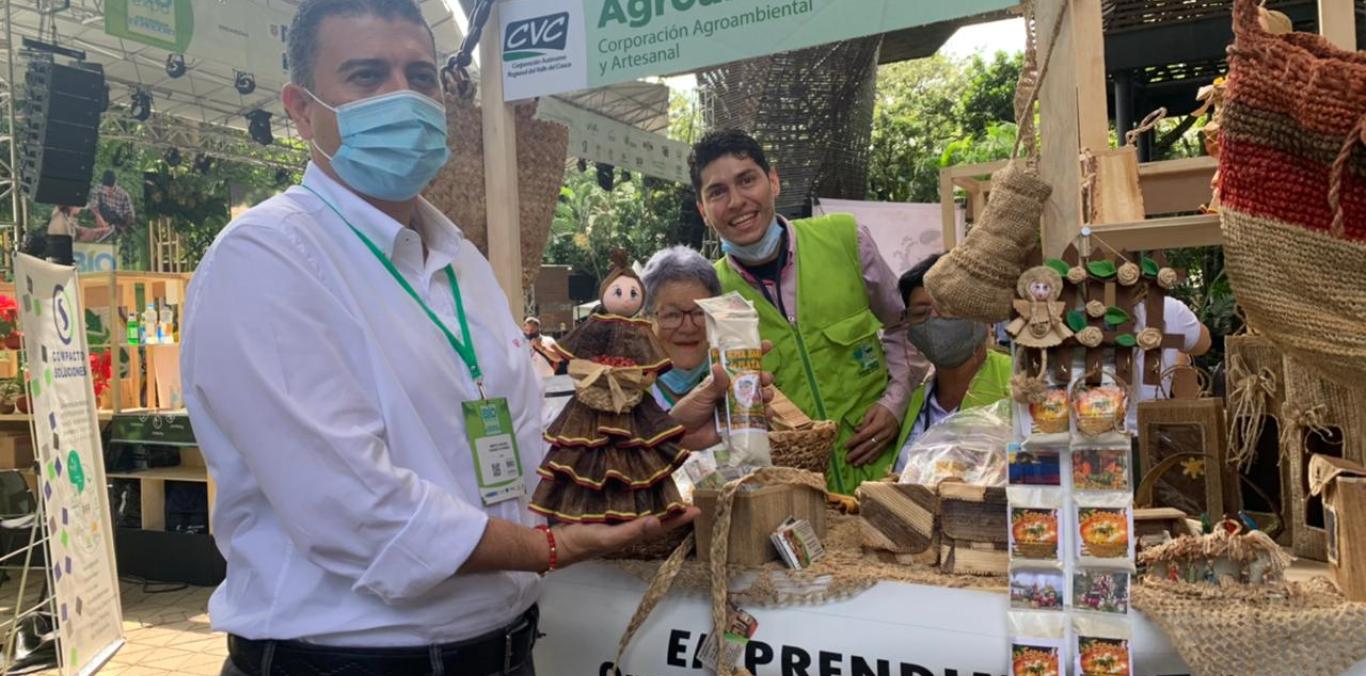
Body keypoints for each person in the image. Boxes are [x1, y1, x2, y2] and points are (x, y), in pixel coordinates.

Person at [180, 3, 739, 674]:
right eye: (366, 75)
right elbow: (356, 511)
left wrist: (655, 434)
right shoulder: (269, 259)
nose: (403, 98)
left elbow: (522, 447)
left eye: (421, 76)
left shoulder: (460, 260)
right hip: (346, 662)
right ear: (302, 109)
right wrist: (554, 548)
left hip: (501, 649)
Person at [691, 128, 928, 494]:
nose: (736, 201)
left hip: (888, 473)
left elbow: (904, 323)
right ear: (703, 210)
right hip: (791, 498)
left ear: (773, 181)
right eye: (717, 192)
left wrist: (895, 403)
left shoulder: (845, 239)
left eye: (747, 180)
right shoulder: (711, 295)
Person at [891, 253, 1013, 472]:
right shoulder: (913, 401)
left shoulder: (1017, 381)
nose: (936, 319)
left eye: (947, 307)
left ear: (981, 311)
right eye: (921, 312)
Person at [641, 246, 722, 411]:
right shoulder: (621, 391)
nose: (688, 328)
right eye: (672, 315)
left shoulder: (737, 384)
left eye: (700, 313)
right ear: (645, 321)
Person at [1128, 295, 1212, 433]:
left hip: (1088, 434)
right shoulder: (1169, 308)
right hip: (1151, 436)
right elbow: (1203, 344)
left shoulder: (1082, 312)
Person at [89, 170, 134, 238]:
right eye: (106, 189)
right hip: (103, 218)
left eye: (111, 189)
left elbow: (129, 214)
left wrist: (124, 227)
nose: (108, 191)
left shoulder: (124, 195)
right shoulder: (98, 189)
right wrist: (99, 218)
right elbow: (93, 206)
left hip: (118, 221)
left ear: (115, 183)